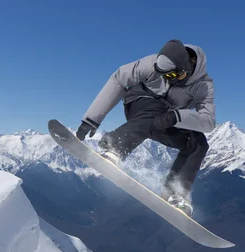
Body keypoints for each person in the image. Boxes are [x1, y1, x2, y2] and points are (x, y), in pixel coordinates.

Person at [75, 39, 215, 217]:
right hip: (139, 106)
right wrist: (92, 119)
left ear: (186, 69)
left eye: (172, 76)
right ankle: (115, 146)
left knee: (198, 143)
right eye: (163, 75)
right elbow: (119, 79)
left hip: (168, 120)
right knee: (155, 109)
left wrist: (176, 117)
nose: (167, 80)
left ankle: (175, 192)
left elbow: (208, 121)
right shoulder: (150, 63)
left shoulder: (203, 86)